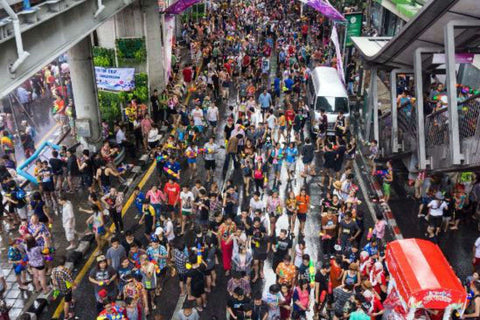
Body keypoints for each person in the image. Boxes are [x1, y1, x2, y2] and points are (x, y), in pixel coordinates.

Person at [51, 255, 76, 320]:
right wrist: (74, 285)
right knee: (66, 302)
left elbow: (53, 280)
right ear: (65, 262)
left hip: (59, 288)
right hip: (66, 289)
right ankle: (66, 316)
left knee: (68, 299)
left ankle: (71, 302)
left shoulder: (54, 270)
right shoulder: (66, 271)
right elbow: (71, 280)